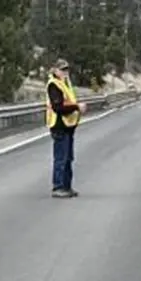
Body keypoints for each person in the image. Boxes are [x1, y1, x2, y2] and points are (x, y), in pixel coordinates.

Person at [46, 59, 86, 198]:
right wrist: (76, 107)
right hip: (59, 126)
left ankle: (67, 186)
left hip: (68, 126)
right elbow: (58, 107)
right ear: (55, 70)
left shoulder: (65, 84)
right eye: (62, 70)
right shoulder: (54, 85)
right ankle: (58, 187)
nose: (65, 72)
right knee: (61, 158)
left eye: (67, 70)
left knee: (68, 158)